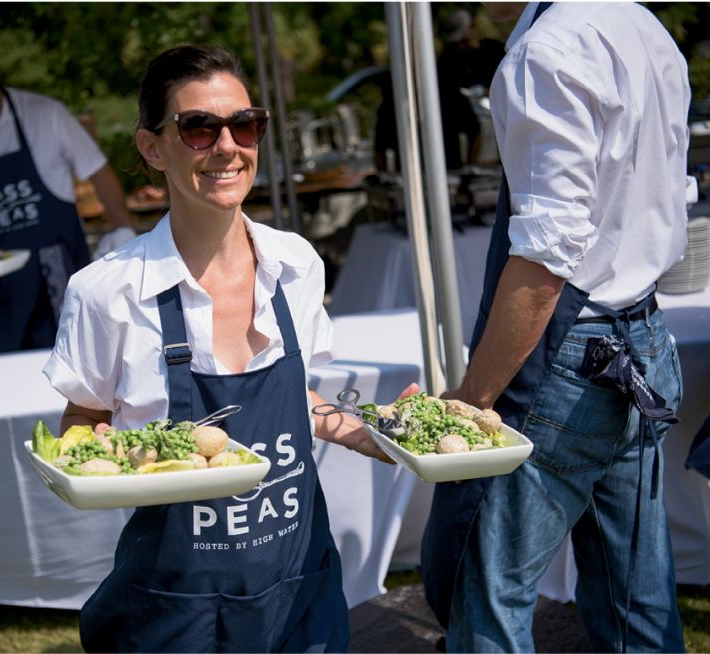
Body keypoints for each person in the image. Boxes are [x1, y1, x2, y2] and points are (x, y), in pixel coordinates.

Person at [42, 44, 391, 653]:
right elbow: (86, 420)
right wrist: (95, 451)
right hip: (177, 605)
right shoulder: (107, 292)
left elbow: (289, 400)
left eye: (244, 124)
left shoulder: (296, 265)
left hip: (298, 585)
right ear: (153, 148)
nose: (227, 145)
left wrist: (376, 432)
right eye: (199, 127)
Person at [412, 3, 697, 652]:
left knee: (486, 599)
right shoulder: (642, 24)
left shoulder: (547, 51)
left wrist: (471, 402)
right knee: (637, 599)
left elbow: (545, 259)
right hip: (643, 337)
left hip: (569, 358)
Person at [0, 28, 137, 355]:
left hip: (62, 268)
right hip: (0, 280)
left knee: (80, 354)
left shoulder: (45, 115)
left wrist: (124, 231)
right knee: (6, 363)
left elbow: (98, 172)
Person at [436, 8, 505, 169]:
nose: (460, 46)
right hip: (464, 114)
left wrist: (486, 92)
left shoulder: (494, 50)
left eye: (462, 39)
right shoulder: (449, 58)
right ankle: (467, 167)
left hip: (496, 109)